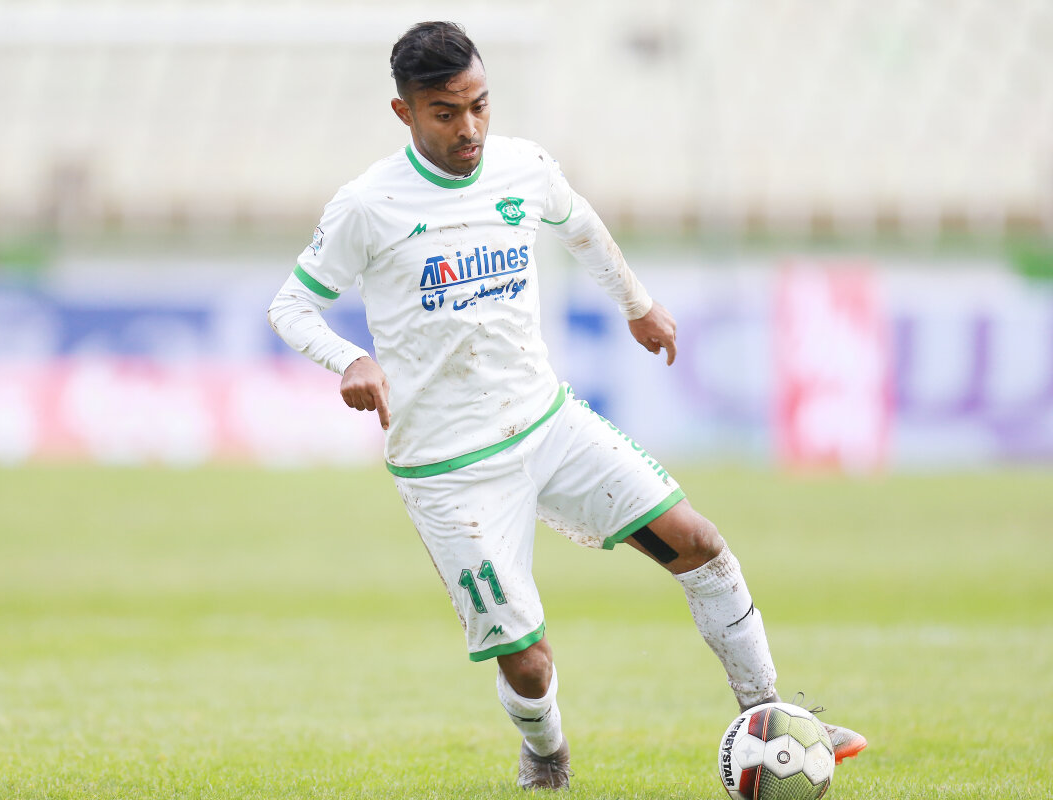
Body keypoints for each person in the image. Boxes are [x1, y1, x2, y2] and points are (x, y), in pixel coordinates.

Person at [267, 21, 867, 790]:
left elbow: (580, 225)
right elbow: (290, 306)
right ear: (404, 112)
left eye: (480, 105)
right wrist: (349, 358)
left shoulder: (523, 167)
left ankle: (771, 714)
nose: (469, 128)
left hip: (549, 424)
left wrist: (637, 304)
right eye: (445, 112)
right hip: (451, 469)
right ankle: (547, 754)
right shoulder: (368, 205)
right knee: (527, 662)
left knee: (699, 543)